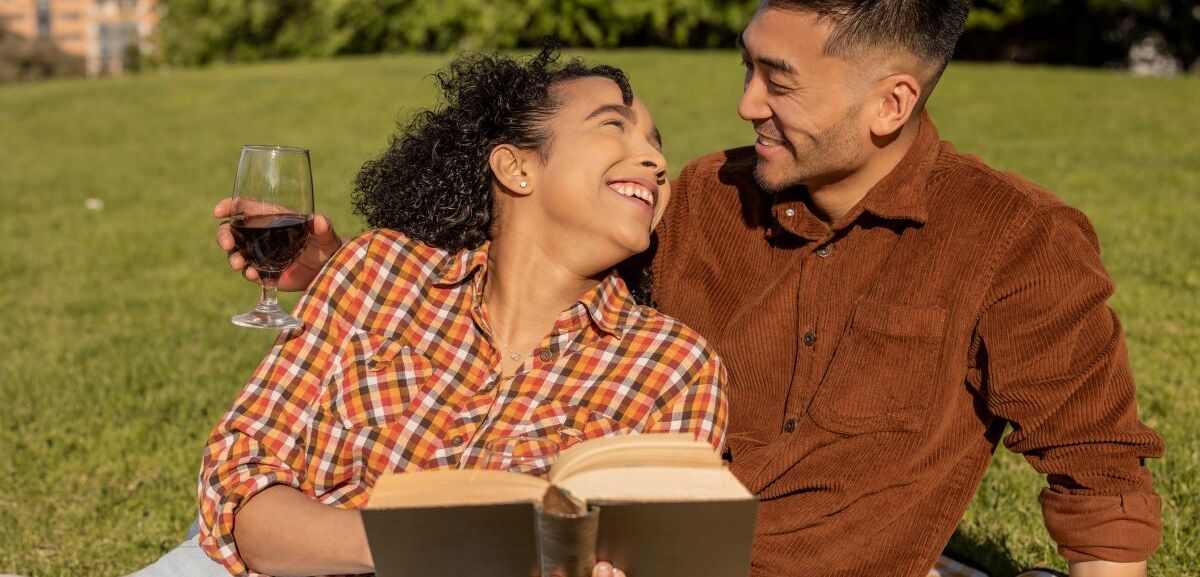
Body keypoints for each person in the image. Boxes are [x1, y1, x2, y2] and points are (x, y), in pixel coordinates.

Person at [218, 2, 1166, 577]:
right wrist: (331, 270)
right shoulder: (706, 199)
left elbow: (1102, 476)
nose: (748, 101)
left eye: (780, 82)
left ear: (892, 104)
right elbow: (539, 239)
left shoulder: (1015, 241)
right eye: (748, 65)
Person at [159, 48, 729, 577]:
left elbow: (658, 555)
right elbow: (239, 488)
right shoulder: (376, 271)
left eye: (658, 145)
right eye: (614, 126)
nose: (655, 161)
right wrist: (402, 542)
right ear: (515, 167)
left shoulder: (674, 367)